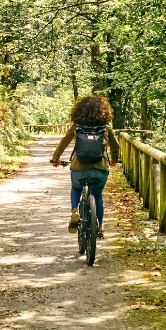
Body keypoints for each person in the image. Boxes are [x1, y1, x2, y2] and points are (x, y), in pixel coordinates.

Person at [50, 96, 120, 235]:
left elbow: (64, 142)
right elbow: (115, 146)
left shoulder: (77, 127)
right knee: (98, 195)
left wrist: (55, 159)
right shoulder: (106, 127)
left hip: (79, 168)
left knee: (76, 188)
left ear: (79, 111)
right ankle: (100, 226)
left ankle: (75, 210)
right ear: (104, 112)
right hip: (100, 169)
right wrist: (113, 160)